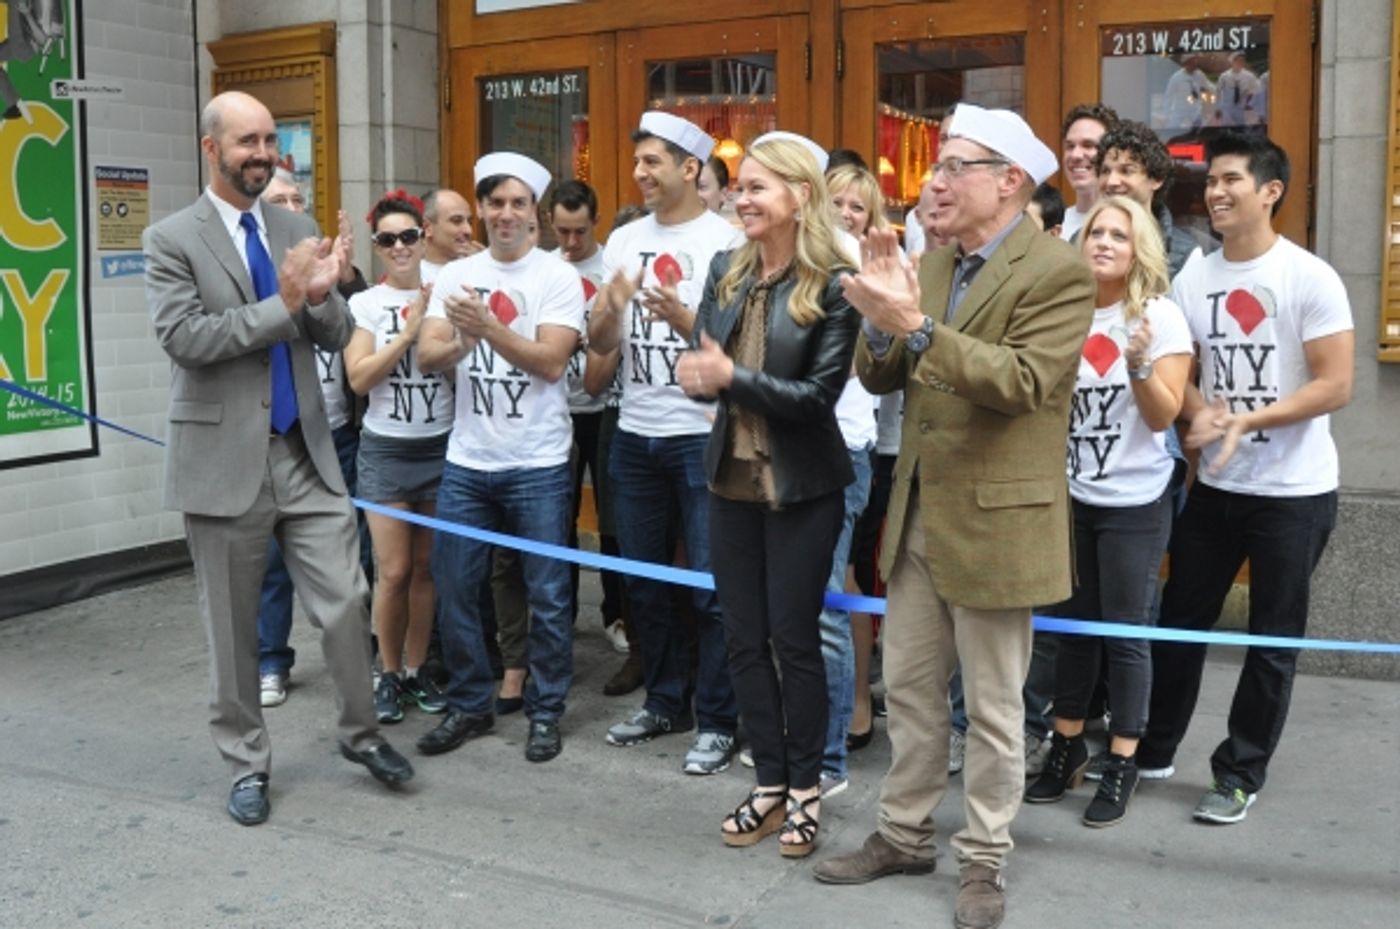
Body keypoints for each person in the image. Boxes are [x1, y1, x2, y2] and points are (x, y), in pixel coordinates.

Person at [814, 103, 1094, 929]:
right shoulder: (933, 263)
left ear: (1009, 181)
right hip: (920, 516)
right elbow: (880, 377)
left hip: (1000, 520)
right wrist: (879, 316)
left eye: (954, 166)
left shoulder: (1058, 270)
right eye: (937, 166)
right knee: (908, 692)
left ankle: (983, 859)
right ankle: (903, 833)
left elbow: (1022, 383)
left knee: (997, 711)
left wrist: (918, 325)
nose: (934, 182)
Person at [145, 91, 413, 826]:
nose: (264, 153)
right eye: (247, 142)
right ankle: (246, 764)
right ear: (212, 150)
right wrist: (287, 302)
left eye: (269, 140)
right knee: (231, 629)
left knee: (347, 599)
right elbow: (187, 339)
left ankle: (361, 735)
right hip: (223, 458)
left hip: (305, 452)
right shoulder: (171, 238)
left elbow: (329, 331)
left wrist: (329, 294)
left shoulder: (294, 224)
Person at [1138, 133, 1354, 824]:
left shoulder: (1307, 277)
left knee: (1273, 637)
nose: (1216, 192)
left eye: (1232, 179)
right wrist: (1202, 413)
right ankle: (1152, 747)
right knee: (1181, 618)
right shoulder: (1194, 278)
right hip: (1220, 489)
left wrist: (1247, 418)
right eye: (1211, 182)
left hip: (1296, 494)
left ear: (1270, 191)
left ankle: (1238, 772)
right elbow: (1184, 371)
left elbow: (1337, 383)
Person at [679, 133, 858, 856]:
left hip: (804, 484)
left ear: (800, 197)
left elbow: (818, 398)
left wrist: (729, 380)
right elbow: (702, 350)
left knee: (796, 640)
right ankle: (770, 783)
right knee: (743, 637)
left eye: (757, 188)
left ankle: (809, 788)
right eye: (740, 187)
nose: (740, 198)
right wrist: (702, 371)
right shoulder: (727, 267)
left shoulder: (837, 281)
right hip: (729, 478)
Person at [1023, 195, 1192, 827]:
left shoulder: (1159, 317)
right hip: (1072, 496)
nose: (1104, 243)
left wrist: (1139, 364)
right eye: (1096, 231)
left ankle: (1122, 757)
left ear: (1138, 248)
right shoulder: (1065, 315)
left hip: (1134, 499)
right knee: (1072, 629)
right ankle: (1066, 744)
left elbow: (1162, 416)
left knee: (1125, 632)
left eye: (1120, 235)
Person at [415, 152, 585, 764]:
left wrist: (487, 328)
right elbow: (428, 357)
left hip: (538, 463)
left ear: (533, 212)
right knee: (456, 587)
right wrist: (465, 336)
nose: (505, 214)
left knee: (547, 594)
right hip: (468, 461)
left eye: (517, 203)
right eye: (495, 203)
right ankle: (469, 705)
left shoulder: (556, 277)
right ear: (481, 209)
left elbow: (552, 362)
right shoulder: (460, 275)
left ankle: (545, 711)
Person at [588, 111, 743, 775]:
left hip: (701, 437)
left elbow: (739, 348)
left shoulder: (728, 241)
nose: (640, 173)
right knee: (643, 582)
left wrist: (686, 318)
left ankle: (717, 719)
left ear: (689, 169)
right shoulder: (622, 240)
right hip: (634, 435)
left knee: (711, 587)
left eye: (653, 161)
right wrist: (608, 306)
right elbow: (598, 344)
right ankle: (664, 700)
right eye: (638, 162)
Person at [255, 167, 373, 709]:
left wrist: (342, 283)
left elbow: (349, 330)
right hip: (280, 438)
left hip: (337, 436)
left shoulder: (339, 271)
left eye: (298, 197)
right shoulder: (262, 275)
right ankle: (271, 661)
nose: (292, 206)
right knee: (274, 565)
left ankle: (360, 659)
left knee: (351, 557)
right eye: (281, 199)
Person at [344, 190, 454, 724]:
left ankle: (416, 671)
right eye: (388, 239)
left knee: (427, 570)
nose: (400, 246)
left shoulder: (447, 289)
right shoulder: (364, 303)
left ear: (424, 236)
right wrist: (408, 334)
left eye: (409, 235)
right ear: (377, 246)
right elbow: (359, 377)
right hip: (386, 449)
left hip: (441, 444)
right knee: (392, 571)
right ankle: (387, 673)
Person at [819, 161, 884, 794]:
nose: (843, 214)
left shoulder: (870, 274)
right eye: (833, 201)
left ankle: (833, 740)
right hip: (784, 448)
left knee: (833, 591)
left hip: (844, 448)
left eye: (856, 207)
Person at [548, 179, 630, 670]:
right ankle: (564, 615)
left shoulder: (610, 268)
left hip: (604, 410)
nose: (571, 242)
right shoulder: (544, 267)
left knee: (614, 520)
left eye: (579, 231)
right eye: (562, 231)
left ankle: (617, 614)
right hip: (556, 408)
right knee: (558, 520)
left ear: (595, 223)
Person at [1096, 120, 1214, 278]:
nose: (1111, 181)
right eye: (1105, 171)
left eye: (1126, 171)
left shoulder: (1183, 254)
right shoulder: (1081, 241)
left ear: (1157, 179)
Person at [1058, 103, 1118, 242]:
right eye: (1070, 146)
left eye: (1089, 145)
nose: (1076, 155)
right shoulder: (1053, 224)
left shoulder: (1127, 225)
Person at [421, 188, 482, 282]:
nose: (468, 230)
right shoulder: (410, 276)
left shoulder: (478, 266)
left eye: (469, 222)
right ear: (427, 227)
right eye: (457, 221)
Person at [1160, 56, 1214, 132]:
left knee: (1203, 128)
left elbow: (1208, 86)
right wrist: (1167, 113)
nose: (1195, 63)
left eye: (1195, 61)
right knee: (1171, 127)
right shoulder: (1176, 77)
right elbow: (1168, 95)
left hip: (1195, 108)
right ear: (1186, 64)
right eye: (1192, 62)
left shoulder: (1200, 75)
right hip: (1180, 108)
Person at [1215, 52, 1260, 127]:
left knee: (1241, 128)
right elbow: (1218, 91)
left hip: (1241, 108)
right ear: (1232, 62)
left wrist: (1250, 103)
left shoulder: (1249, 76)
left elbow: (1257, 90)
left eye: (1242, 60)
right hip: (1227, 108)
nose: (1240, 62)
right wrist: (1218, 108)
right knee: (1226, 129)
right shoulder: (1224, 76)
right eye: (1238, 60)